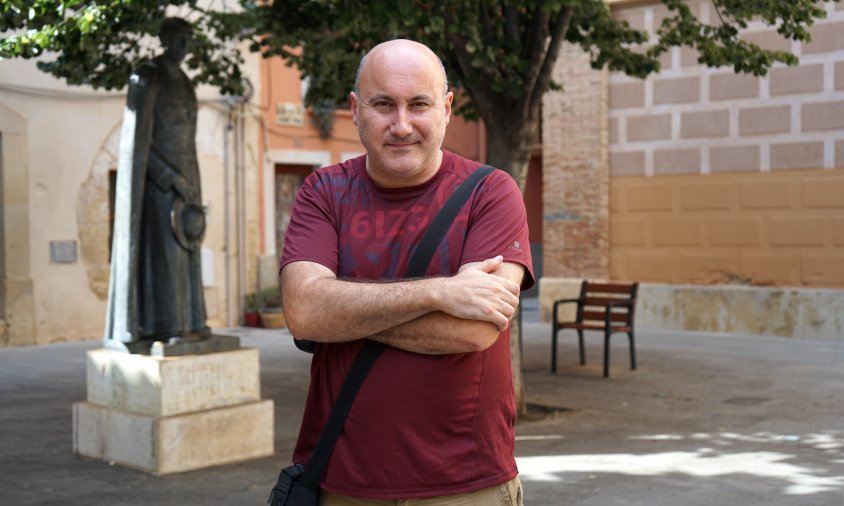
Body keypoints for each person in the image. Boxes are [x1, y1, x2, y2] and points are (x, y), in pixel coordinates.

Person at [280, 39, 534, 505]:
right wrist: (440, 292)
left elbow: (475, 330)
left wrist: (344, 313)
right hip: (341, 480)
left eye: (419, 104)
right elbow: (304, 313)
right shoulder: (323, 191)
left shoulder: (491, 193)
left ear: (446, 108)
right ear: (355, 110)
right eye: (383, 105)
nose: (401, 125)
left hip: (467, 484)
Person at [104, 17, 209, 349]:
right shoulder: (147, 76)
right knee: (164, 256)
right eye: (177, 39)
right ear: (164, 39)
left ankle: (191, 320)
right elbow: (140, 145)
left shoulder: (186, 82)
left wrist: (189, 179)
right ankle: (166, 325)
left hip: (186, 178)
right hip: (159, 183)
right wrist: (170, 177)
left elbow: (188, 140)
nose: (183, 45)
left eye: (187, 39)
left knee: (187, 250)